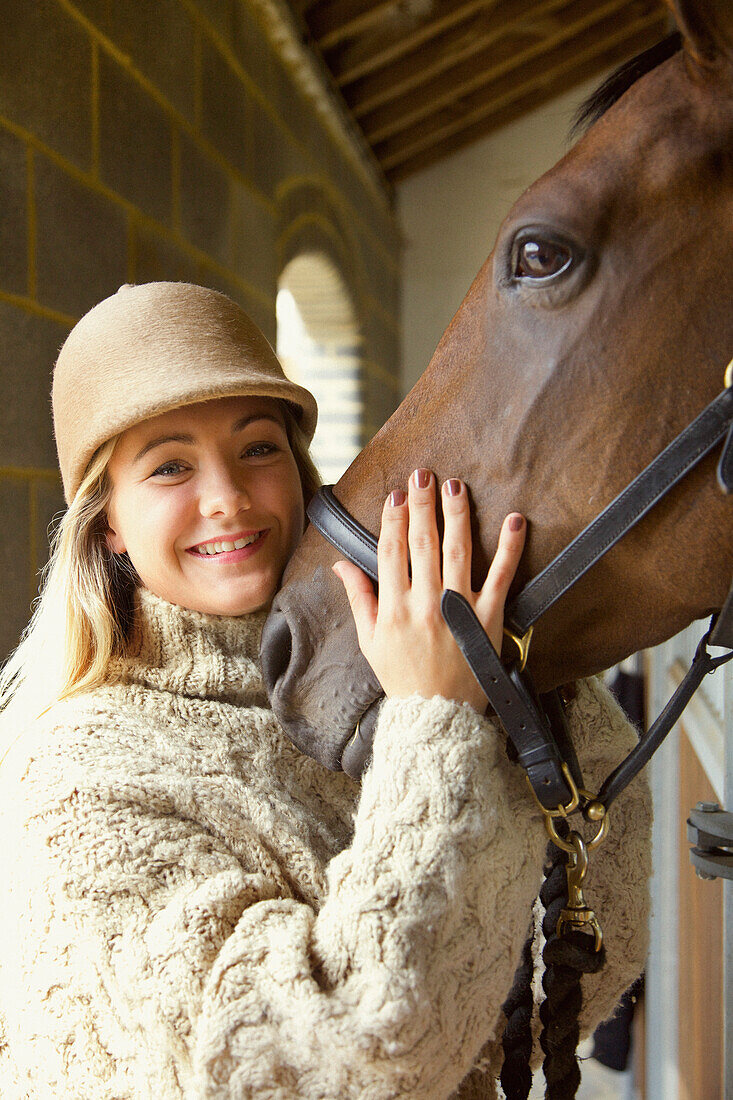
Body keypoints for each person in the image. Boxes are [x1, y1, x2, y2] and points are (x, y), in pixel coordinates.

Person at [0, 282, 650, 1099]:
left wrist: (527, 667)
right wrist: (436, 719)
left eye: (258, 448)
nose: (228, 497)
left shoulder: (386, 673)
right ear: (109, 526)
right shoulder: (75, 781)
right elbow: (330, 1068)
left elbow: (570, 980)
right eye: (169, 466)